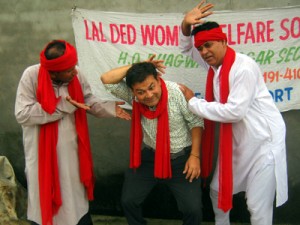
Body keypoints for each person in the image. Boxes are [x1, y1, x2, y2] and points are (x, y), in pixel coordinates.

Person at [178, 1, 288, 225]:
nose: (203, 52)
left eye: (208, 45)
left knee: (257, 207)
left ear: (223, 41)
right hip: (237, 143)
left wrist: (192, 102)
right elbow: (187, 48)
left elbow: (235, 112)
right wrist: (185, 24)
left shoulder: (243, 68)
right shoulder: (215, 65)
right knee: (218, 192)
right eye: (201, 48)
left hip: (263, 143)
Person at [15, 40, 131, 225]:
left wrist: (108, 108)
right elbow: (22, 114)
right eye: (69, 70)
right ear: (54, 72)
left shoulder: (75, 75)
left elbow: (87, 100)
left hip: (72, 155)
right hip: (42, 157)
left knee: (74, 201)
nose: (75, 72)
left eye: (74, 67)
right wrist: (64, 105)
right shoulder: (31, 76)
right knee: (44, 200)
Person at [100, 56, 205, 225]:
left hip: (181, 159)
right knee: (129, 201)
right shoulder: (133, 97)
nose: (148, 95)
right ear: (133, 91)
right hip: (149, 158)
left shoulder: (177, 92)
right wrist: (139, 66)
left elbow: (196, 122)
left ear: (158, 79)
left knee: (192, 209)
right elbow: (107, 79)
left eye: (151, 87)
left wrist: (195, 156)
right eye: (140, 92)